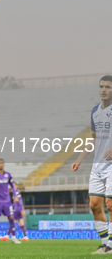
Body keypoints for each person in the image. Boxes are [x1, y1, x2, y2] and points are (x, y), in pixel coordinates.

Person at [72, 75, 112, 254]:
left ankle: (111, 245)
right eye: (102, 86)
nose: (104, 90)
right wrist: (80, 159)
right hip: (98, 165)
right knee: (95, 205)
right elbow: (93, 138)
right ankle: (105, 244)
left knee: (111, 204)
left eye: (108, 87)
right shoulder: (95, 110)